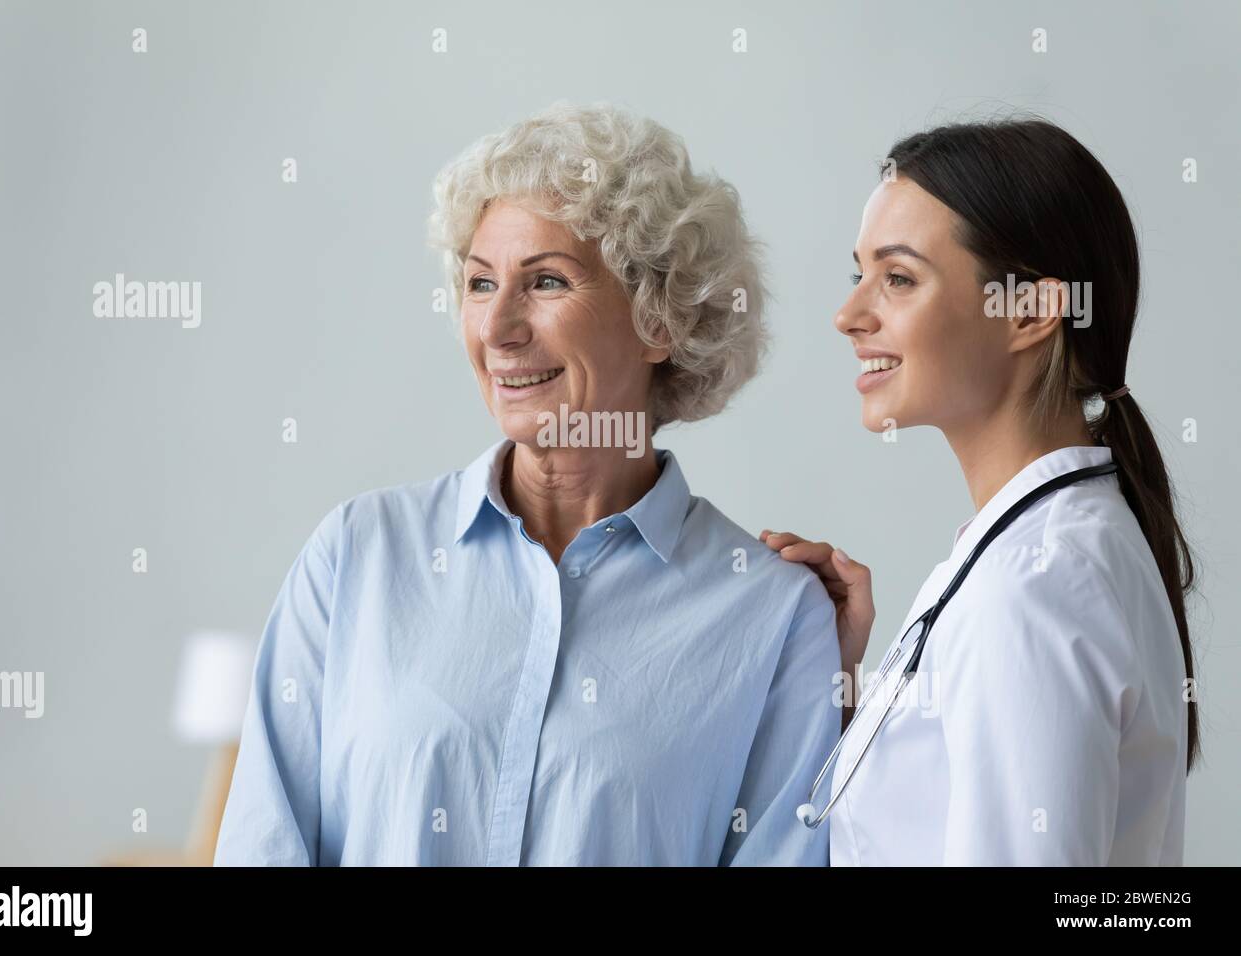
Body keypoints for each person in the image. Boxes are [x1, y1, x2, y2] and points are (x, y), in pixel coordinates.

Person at [214, 102, 841, 866]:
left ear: (660, 319)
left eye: (545, 281)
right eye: (480, 284)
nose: (499, 328)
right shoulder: (357, 556)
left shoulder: (772, 616)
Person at [764, 119, 1197, 865]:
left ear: (1027, 311)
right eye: (858, 274)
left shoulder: (1034, 584)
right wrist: (846, 687)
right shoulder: (1052, 551)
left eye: (898, 278)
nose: (849, 316)